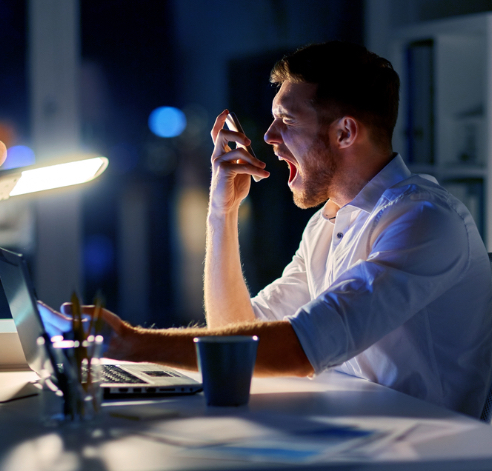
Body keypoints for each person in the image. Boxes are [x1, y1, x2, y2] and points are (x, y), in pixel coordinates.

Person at [40, 41, 492, 418]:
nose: (270, 137)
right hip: (353, 434)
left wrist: (135, 345)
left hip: (426, 451)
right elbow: (237, 335)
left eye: (288, 121)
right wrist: (223, 212)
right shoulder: (328, 223)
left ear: (345, 133)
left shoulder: (425, 222)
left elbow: (299, 350)